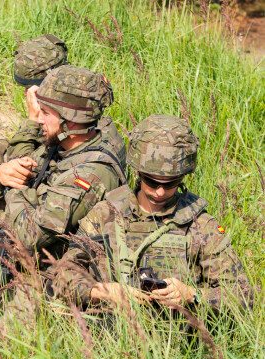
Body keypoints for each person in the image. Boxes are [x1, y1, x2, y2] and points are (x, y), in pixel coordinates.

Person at [50, 114, 252, 311]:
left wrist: (192, 294)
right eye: (152, 181)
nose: (160, 191)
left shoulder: (199, 224)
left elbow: (243, 294)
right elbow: (63, 277)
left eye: (171, 183)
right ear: (138, 172)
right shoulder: (105, 214)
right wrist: (103, 292)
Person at [0, 65, 126, 261]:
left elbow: (28, 236)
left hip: (54, 280)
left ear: (72, 121)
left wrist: (14, 185)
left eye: (45, 113)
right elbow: (17, 159)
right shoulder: (62, 142)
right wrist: (2, 171)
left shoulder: (89, 174)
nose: (38, 119)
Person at [0, 34, 126, 188]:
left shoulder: (76, 125)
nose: (28, 95)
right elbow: (17, 157)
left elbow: (20, 165)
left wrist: (32, 120)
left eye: (32, 88)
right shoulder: (74, 114)